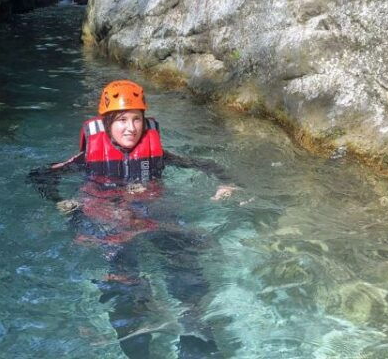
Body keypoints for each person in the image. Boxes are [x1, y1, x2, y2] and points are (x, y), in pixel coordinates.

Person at [29, 80, 236, 357]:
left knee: (183, 257)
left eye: (136, 119)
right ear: (106, 124)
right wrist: (61, 202)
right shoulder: (87, 159)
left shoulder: (158, 155)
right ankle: (136, 332)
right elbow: (40, 176)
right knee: (123, 279)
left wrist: (227, 184)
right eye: (122, 120)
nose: (131, 128)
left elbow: (206, 165)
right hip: (112, 222)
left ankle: (194, 322)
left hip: (154, 216)